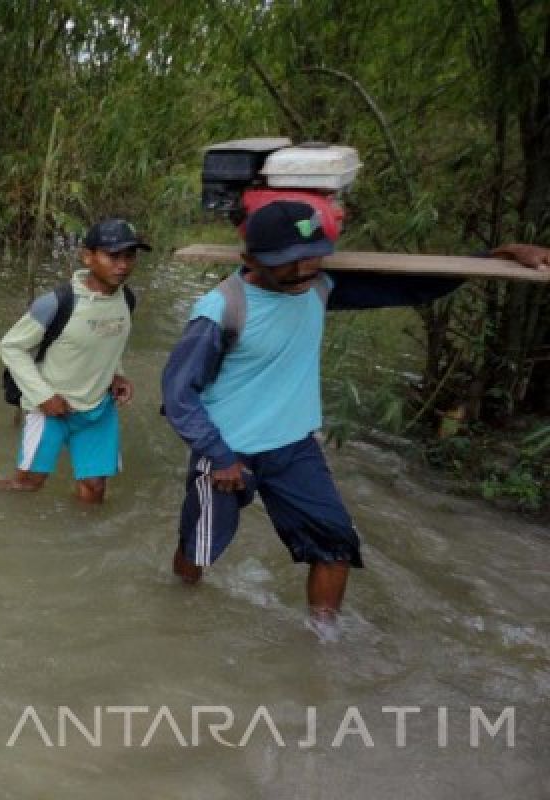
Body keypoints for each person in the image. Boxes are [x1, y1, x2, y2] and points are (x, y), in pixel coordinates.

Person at [160, 200, 550, 640]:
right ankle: (176, 616)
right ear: (252, 260)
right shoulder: (222, 310)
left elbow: (413, 289)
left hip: (293, 447)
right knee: (199, 550)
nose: (305, 268)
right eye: (290, 262)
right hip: (229, 452)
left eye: (312, 256)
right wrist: (218, 454)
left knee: (334, 545)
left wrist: (496, 257)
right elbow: (177, 395)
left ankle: (324, 643)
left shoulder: (319, 285)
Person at [0, 219, 143, 503]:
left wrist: (117, 375)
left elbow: (106, 344)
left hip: (98, 409)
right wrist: (43, 396)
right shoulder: (57, 303)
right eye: (113, 256)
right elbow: (12, 347)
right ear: (87, 256)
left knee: (95, 489)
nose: (123, 265)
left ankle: (88, 545)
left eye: (129, 256)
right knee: (29, 484)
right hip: (51, 409)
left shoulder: (127, 300)